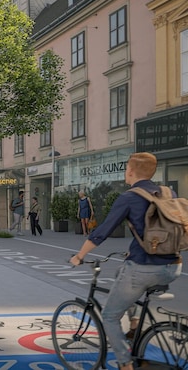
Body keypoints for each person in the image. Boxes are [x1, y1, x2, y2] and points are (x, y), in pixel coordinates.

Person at [69, 152, 182, 370]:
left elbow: (102, 232)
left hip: (145, 269)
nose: (125, 172)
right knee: (121, 273)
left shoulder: (129, 197)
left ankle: (125, 364)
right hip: (173, 265)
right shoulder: (168, 192)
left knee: (110, 316)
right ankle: (135, 323)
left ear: (130, 171)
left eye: (126, 168)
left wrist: (79, 256)